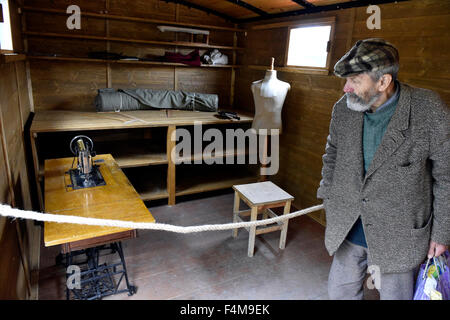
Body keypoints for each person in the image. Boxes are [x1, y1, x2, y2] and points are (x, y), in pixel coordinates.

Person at [317, 38, 449, 300]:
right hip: (349, 226)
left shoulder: (428, 111)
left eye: (355, 80)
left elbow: (446, 176)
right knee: (339, 294)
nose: (346, 88)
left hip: (400, 235)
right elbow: (331, 155)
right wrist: (328, 197)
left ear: (383, 82)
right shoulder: (344, 109)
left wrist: (442, 232)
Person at [251, 59, 290, 133]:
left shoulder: (285, 86)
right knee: (265, 143)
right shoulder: (255, 85)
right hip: (259, 122)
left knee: (272, 143)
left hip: (275, 122)